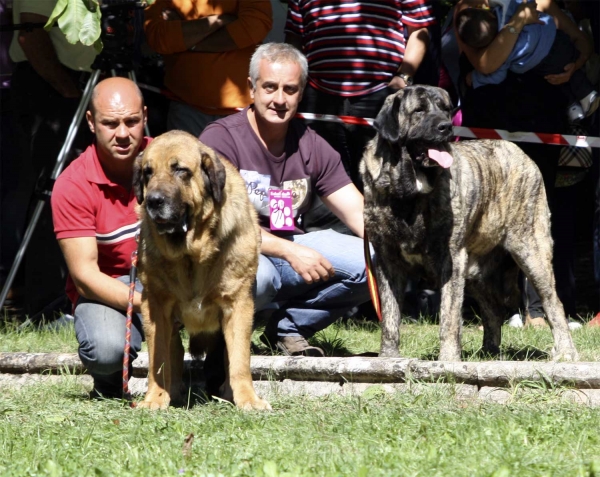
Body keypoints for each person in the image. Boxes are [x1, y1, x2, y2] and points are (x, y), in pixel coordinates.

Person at [199, 43, 371, 357]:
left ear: (301, 92)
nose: (279, 99)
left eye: (289, 89)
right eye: (270, 87)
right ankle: (223, 339)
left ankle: (288, 328)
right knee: (262, 277)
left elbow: (359, 213)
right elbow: (219, 224)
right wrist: (290, 250)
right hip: (230, 256)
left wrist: (403, 251)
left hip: (288, 250)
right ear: (251, 88)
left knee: (373, 259)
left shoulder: (312, 145)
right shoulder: (220, 139)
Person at [51, 77, 150, 398]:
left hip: (169, 275)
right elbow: (85, 278)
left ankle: (216, 376)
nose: (123, 134)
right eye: (111, 123)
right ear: (91, 122)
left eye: (132, 121)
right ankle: (109, 387)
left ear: (145, 116)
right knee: (106, 351)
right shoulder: (73, 184)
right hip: (106, 288)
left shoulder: (169, 159)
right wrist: (152, 305)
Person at [1, 0, 95, 317]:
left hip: (84, 80)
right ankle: (48, 305)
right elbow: (30, 33)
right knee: (54, 192)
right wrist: (66, 88)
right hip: (52, 84)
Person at [143, 0, 272, 137]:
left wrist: (188, 43)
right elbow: (159, 36)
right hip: (186, 107)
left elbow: (254, 26)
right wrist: (220, 21)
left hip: (242, 111)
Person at [455, 0, 599, 122]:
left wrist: (573, 68)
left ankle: (581, 99)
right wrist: (518, 20)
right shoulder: (468, 12)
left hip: (543, 113)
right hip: (494, 115)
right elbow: (486, 65)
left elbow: (582, 41)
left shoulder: (532, 3)